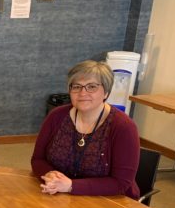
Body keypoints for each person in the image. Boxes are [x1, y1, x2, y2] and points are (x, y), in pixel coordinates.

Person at [31, 60, 140, 198]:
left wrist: (71, 185)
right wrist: (49, 174)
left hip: (111, 201)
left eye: (92, 87)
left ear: (106, 92)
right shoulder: (56, 116)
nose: (82, 93)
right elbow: (38, 159)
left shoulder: (124, 127)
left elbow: (121, 183)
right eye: (76, 86)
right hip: (60, 195)